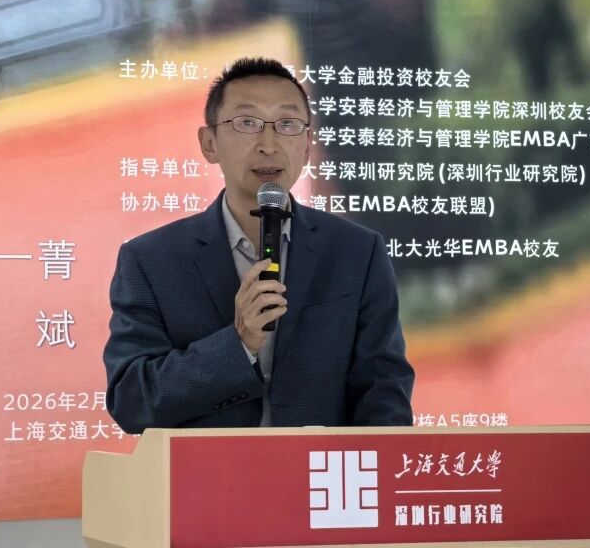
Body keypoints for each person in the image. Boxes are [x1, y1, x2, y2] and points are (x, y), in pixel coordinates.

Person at [104, 57, 414, 432]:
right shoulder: (151, 260)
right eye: (247, 123)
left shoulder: (357, 252)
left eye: (287, 124)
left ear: (307, 145)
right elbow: (132, 402)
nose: (269, 145)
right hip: (208, 471)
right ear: (209, 143)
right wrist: (238, 344)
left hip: (320, 469)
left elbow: (383, 393)